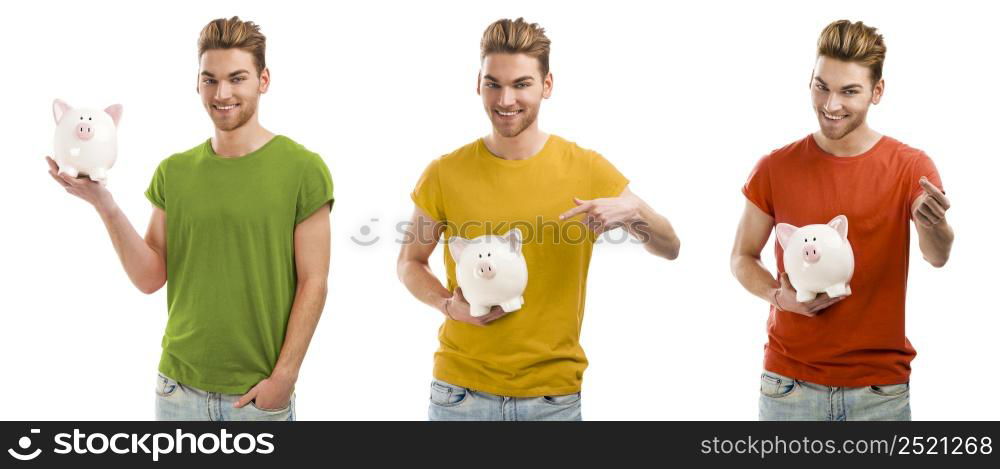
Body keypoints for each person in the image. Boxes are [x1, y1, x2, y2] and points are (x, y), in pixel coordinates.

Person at [46, 16, 334, 421]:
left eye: (237, 78)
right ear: (197, 83)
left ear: (263, 80)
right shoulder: (174, 172)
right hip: (177, 391)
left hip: (256, 396)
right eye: (210, 79)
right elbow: (150, 277)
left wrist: (284, 379)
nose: (222, 93)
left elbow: (314, 282)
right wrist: (104, 204)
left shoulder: (304, 169)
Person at [397, 17, 681, 421]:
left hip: (552, 400)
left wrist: (634, 214)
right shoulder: (444, 173)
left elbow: (670, 247)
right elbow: (409, 262)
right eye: (493, 83)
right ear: (478, 83)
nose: (506, 99)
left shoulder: (587, 169)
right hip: (459, 395)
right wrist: (448, 305)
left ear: (547, 86)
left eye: (522, 84)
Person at [730, 19, 954, 421]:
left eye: (849, 91)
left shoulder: (910, 167)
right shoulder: (775, 167)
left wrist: (934, 224)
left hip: (878, 393)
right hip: (787, 388)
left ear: (877, 91)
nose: (831, 105)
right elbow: (742, 257)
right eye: (822, 87)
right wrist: (779, 298)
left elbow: (937, 257)